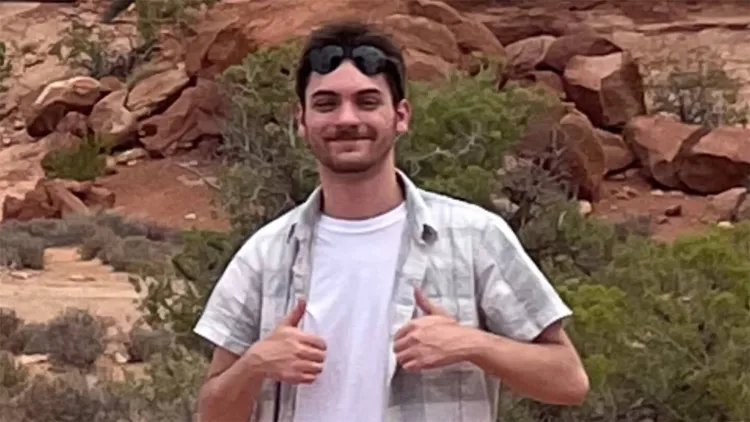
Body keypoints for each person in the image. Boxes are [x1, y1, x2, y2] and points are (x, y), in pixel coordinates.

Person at [193, 19, 589, 422]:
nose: (347, 119)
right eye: (326, 104)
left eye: (367, 102)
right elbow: (211, 414)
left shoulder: (475, 236)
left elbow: (569, 380)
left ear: (400, 115)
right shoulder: (265, 253)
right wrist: (255, 364)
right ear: (301, 120)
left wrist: (472, 344)